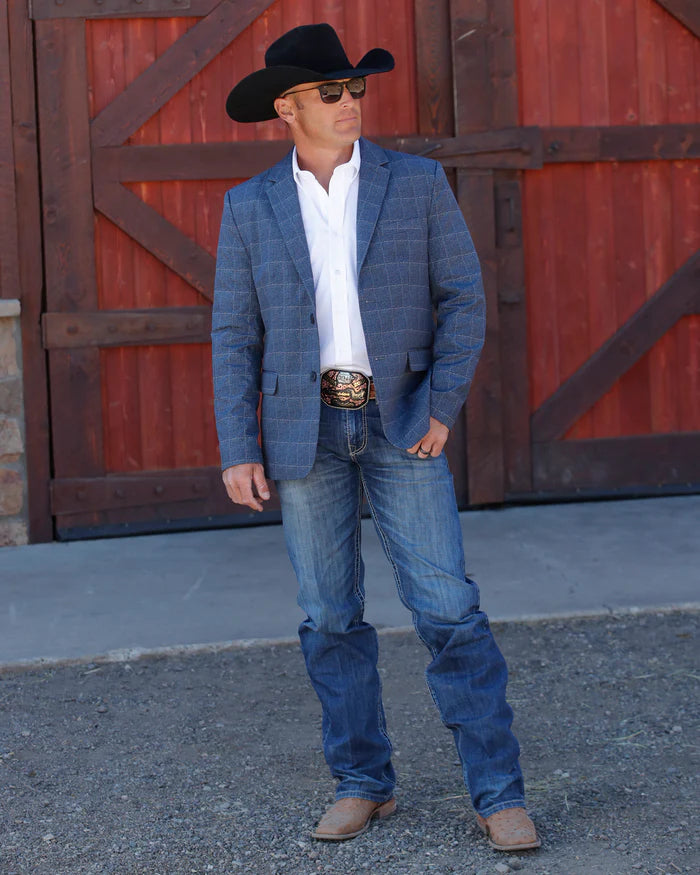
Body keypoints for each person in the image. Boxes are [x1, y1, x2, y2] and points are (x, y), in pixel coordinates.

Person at [211, 22, 540, 852]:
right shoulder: (249, 206)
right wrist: (238, 445)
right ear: (287, 108)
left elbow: (463, 298)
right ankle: (363, 781)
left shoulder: (416, 183)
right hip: (304, 430)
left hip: (402, 420)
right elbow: (233, 334)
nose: (350, 102)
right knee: (329, 616)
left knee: (448, 609)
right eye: (331, 92)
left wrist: (441, 405)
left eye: (355, 87)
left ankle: (499, 793)